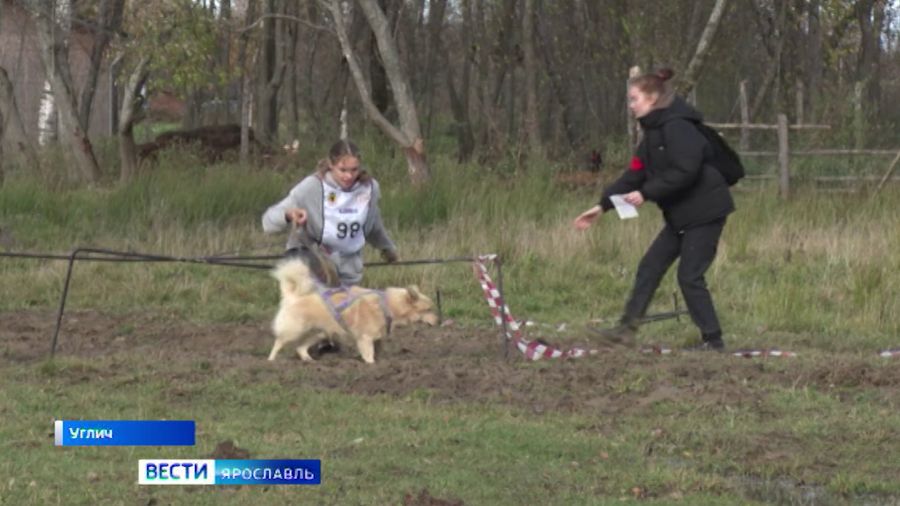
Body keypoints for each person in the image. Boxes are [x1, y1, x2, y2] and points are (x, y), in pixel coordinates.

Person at [573, 68, 734, 351]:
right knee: (650, 267)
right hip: (680, 216)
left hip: (706, 212)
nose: (630, 104)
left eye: (634, 98)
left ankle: (713, 340)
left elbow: (686, 170)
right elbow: (633, 175)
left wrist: (646, 193)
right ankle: (625, 331)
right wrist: (602, 206)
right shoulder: (651, 138)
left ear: (652, 98)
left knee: (689, 276)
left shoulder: (679, 127)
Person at [262, 139, 398, 287]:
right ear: (331, 165)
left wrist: (387, 249)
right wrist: (289, 215)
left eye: (354, 170)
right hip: (312, 267)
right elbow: (268, 221)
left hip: (349, 271)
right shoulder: (312, 187)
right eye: (343, 170)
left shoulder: (368, 189)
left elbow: (373, 225)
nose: (349, 176)